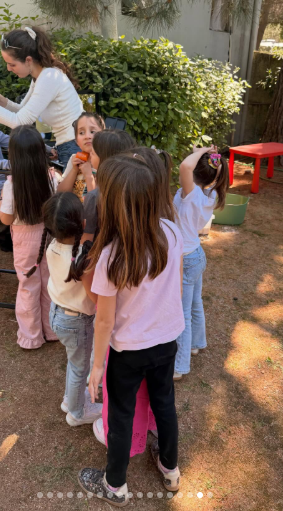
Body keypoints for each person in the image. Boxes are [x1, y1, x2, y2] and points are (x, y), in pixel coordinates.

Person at [78, 154, 185, 506]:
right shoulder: (172, 231)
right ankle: (170, 469)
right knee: (165, 403)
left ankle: (115, 485)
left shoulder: (111, 256)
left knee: (121, 416)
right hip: (166, 342)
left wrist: (97, 367)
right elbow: (175, 285)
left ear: (112, 204)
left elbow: (104, 320)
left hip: (128, 352)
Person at [27, 192, 103, 427]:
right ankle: (77, 413)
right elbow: (95, 298)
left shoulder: (52, 246)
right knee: (80, 368)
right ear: (82, 222)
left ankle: (70, 400)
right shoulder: (83, 258)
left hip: (57, 314)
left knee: (74, 362)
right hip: (77, 321)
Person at [0, 27, 83, 167]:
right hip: (70, 142)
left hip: (73, 143)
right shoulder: (41, 77)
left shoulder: (48, 78)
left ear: (28, 60)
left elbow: (20, 121)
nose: (8, 68)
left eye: (12, 64)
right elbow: (22, 110)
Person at [0, 125, 58, 348]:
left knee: (28, 284)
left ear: (14, 156)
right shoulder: (52, 177)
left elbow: (6, 220)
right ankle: (51, 330)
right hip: (48, 235)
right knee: (49, 282)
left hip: (24, 240)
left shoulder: (11, 185)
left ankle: (31, 336)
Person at [172, 145, 228, 381]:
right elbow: (201, 169)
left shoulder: (192, 194)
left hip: (185, 259)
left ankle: (179, 366)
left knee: (183, 313)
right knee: (196, 303)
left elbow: (185, 166)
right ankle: (196, 343)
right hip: (196, 254)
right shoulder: (210, 194)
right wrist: (207, 156)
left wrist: (203, 150)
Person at [82, 128, 136, 243]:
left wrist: (88, 177)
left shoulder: (95, 196)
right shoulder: (136, 186)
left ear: (104, 159)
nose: (90, 156)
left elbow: (87, 237)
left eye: (93, 153)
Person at [58, 112, 105, 203]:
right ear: (76, 140)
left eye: (92, 132)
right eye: (81, 133)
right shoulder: (74, 159)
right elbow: (60, 194)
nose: (87, 136)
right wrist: (74, 170)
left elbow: (98, 204)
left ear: (103, 134)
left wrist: (88, 175)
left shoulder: (105, 162)